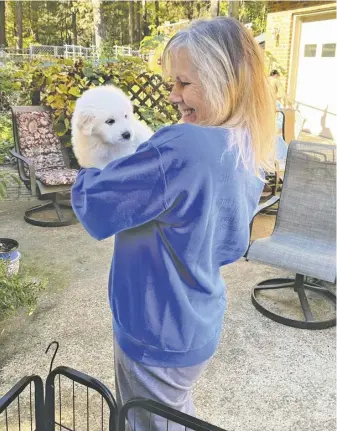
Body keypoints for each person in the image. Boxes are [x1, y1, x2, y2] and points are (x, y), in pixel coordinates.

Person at [71, 17, 275, 430]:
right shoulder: (252, 141)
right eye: (170, 84)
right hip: (196, 318)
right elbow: (230, 242)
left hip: (155, 327)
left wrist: (89, 167)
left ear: (223, 80)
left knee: (148, 421)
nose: (174, 96)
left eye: (184, 83)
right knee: (173, 412)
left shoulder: (183, 145)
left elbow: (94, 205)